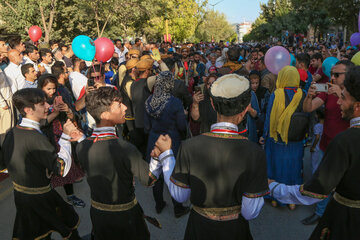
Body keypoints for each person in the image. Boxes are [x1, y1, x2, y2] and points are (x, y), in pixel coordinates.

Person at [153, 73, 268, 240]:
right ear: (244, 111)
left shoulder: (189, 146)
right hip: (235, 229)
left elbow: (180, 195)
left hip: (199, 227)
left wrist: (166, 156)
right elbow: (250, 212)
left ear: (213, 104)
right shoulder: (255, 152)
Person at [268, 66, 360, 239]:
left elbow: (316, 189)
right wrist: (310, 95)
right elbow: (308, 108)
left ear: (357, 106)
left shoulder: (344, 141)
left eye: (343, 98)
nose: (339, 102)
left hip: (348, 220)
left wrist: (273, 187)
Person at [76, 87, 162, 240]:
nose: (125, 107)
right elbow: (149, 180)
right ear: (105, 115)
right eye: (119, 105)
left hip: (98, 214)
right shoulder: (125, 149)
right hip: (126, 216)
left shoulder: (82, 146)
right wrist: (158, 157)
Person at [0, 88, 82, 239]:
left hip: (22, 196)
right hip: (40, 197)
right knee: (66, 226)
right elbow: (61, 168)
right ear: (27, 110)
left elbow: (5, 164)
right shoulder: (35, 138)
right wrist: (65, 136)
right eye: (42, 104)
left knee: (37, 233)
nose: (47, 107)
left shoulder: (12, 132)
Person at [301, 60, 353, 224]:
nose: (332, 77)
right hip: (326, 144)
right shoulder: (328, 90)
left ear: (349, 75)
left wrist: (341, 94)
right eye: (332, 73)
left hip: (345, 149)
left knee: (345, 186)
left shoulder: (354, 93)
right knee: (324, 181)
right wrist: (309, 96)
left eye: (337, 74)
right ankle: (320, 213)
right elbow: (308, 108)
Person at [260, 66, 308, 210]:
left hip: (278, 138)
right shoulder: (303, 93)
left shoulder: (277, 93)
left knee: (276, 167)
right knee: (294, 167)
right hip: (297, 139)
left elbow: (269, 117)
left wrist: (264, 135)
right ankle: (292, 200)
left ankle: (275, 198)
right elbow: (308, 115)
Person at [144, 71, 190, 217]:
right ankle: (178, 208)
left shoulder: (149, 100)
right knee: (172, 175)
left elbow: (146, 126)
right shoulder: (175, 102)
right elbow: (182, 126)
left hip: (154, 140)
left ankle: (159, 204)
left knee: (156, 174)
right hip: (171, 140)